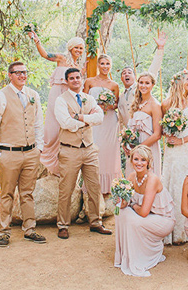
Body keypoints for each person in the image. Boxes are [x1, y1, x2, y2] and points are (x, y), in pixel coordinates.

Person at [0, 61, 47, 247]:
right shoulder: (0, 96)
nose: (22, 76)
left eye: (24, 72)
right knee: (7, 194)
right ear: (10, 75)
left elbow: (38, 123)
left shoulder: (33, 95)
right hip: (8, 153)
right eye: (18, 72)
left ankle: (30, 229)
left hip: (31, 153)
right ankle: (4, 232)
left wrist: (39, 148)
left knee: (27, 193)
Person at [54, 67, 112, 238]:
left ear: (81, 79)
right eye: (71, 78)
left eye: (78, 77)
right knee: (66, 188)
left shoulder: (89, 98)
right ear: (66, 81)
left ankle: (96, 222)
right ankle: (63, 225)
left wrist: (78, 117)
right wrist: (88, 120)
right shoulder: (61, 100)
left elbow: (100, 118)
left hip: (89, 148)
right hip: (69, 150)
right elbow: (65, 123)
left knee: (94, 187)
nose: (75, 80)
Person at [28, 32, 85, 176]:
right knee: (53, 124)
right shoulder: (62, 58)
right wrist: (37, 41)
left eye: (81, 48)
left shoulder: (78, 66)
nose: (78, 50)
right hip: (57, 93)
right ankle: (45, 155)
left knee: (66, 125)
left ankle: (59, 162)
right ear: (71, 47)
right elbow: (45, 55)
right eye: (76, 47)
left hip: (69, 97)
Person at [114, 145, 176, 277]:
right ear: (131, 160)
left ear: (148, 162)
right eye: (136, 159)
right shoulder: (131, 177)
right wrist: (119, 200)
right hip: (147, 217)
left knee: (130, 218)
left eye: (143, 160)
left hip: (163, 220)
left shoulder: (152, 179)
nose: (139, 163)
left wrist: (133, 205)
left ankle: (149, 252)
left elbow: (143, 212)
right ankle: (127, 254)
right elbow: (125, 204)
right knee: (119, 212)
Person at [161, 70, 188, 245]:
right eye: (187, 79)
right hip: (173, 149)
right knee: (173, 182)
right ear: (178, 82)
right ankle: (173, 230)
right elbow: (162, 128)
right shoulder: (167, 103)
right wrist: (170, 133)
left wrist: (183, 140)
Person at [84, 54, 121, 195]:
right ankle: (92, 185)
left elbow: (116, 104)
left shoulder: (114, 85)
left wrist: (108, 105)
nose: (105, 66)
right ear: (98, 65)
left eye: (108, 64)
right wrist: (95, 106)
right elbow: (83, 100)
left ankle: (110, 186)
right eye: (103, 63)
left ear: (110, 66)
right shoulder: (89, 81)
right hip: (95, 120)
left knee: (109, 151)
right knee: (95, 149)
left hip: (109, 121)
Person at [117, 32, 166, 127]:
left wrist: (160, 49)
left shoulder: (140, 87)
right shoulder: (121, 97)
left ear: (135, 77)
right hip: (129, 132)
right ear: (121, 78)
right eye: (124, 73)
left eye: (129, 72)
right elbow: (121, 120)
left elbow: (154, 69)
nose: (126, 74)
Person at [125, 72, 163, 178]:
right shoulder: (136, 103)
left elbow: (157, 134)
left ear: (152, 85)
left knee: (147, 179)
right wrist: (126, 143)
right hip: (134, 147)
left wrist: (138, 149)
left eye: (147, 83)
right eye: (141, 82)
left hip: (148, 147)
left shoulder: (155, 105)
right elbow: (130, 129)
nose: (143, 85)